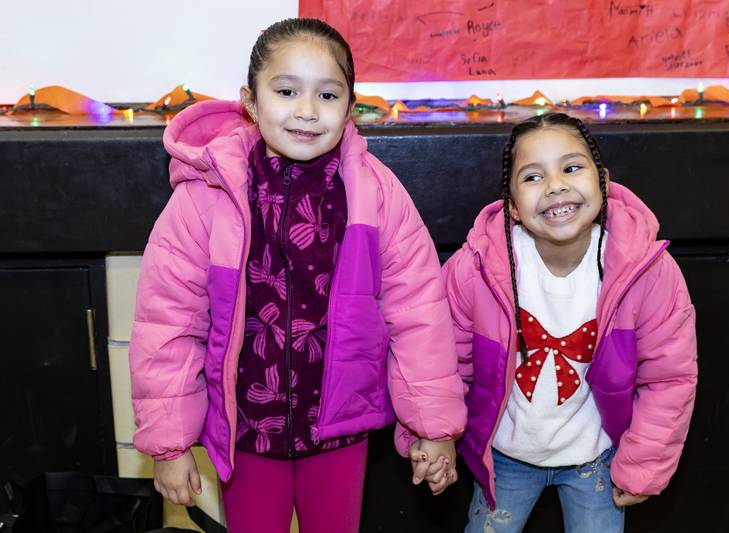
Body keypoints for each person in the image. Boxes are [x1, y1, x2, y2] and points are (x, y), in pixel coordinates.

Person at [128, 17, 465, 533]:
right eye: (287, 91)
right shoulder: (203, 198)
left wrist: (433, 428)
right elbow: (168, 326)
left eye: (327, 96)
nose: (307, 111)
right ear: (251, 101)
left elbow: (418, 315)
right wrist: (170, 445)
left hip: (340, 429)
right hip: (247, 430)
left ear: (351, 109)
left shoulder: (376, 195)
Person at [437, 112, 697, 532]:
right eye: (533, 177)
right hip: (505, 456)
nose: (556, 185)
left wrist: (644, 466)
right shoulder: (477, 269)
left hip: (597, 458)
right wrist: (434, 434)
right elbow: (442, 360)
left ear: (604, 183)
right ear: (513, 207)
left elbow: (670, 378)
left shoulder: (648, 272)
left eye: (572, 168)